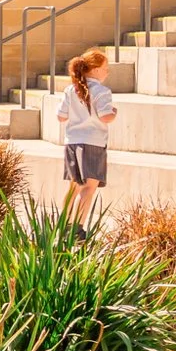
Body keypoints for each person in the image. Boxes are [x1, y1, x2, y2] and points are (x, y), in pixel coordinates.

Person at [54, 48, 118, 223]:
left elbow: (61, 116)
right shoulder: (102, 91)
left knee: (73, 186)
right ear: (96, 70)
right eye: (106, 68)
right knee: (89, 187)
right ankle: (78, 228)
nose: (107, 72)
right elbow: (106, 116)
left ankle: (63, 224)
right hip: (93, 143)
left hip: (72, 143)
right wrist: (114, 112)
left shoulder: (70, 89)